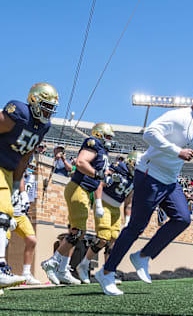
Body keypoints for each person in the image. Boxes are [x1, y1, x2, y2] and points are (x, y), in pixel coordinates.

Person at [94, 86, 193, 296]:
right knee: (135, 228)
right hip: (149, 175)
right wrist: (177, 151)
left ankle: (143, 256)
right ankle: (106, 272)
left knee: (183, 218)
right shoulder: (178, 116)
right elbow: (149, 134)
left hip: (170, 180)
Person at [0, 83, 59, 293]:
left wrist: (17, 184)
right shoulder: (19, 113)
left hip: (7, 172)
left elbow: (26, 156)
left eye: (50, 108)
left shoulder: (43, 126)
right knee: (4, 214)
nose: (47, 112)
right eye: (44, 106)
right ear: (33, 101)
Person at [42, 122, 115, 286]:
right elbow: (81, 162)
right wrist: (98, 174)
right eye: (108, 136)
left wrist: (103, 181)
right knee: (77, 233)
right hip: (78, 189)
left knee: (77, 233)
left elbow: (88, 175)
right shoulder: (92, 143)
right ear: (99, 135)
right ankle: (52, 263)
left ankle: (62, 270)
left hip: (82, 190)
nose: (110, 140)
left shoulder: (102, 151)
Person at [76, 150, 135, 284]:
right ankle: (83, 265)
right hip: (104, 203)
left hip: (116, 208)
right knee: (103, 238)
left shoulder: (134, 179)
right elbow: (100, 184)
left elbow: (128, 203)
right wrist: (98, 204)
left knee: (114, 239)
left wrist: (128, 220)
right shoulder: (118, 168)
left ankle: (108, 272)